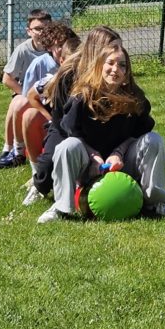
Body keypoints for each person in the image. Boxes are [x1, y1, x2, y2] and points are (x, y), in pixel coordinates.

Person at [37, 43, 165, 223]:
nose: (115, 69)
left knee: (154, 140)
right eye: (110, 63)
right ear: (99, 66)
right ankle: (61, 207)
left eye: (122, 65)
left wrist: (119, 152)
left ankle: (153, 203)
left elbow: (140, 132)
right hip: (87, 165)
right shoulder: (81, 96)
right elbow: (71, 132)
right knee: (67, 146)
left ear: (127, 72)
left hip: (122, 162)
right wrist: (93, 156)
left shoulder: (135, 97)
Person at [29, 25, 122, 200]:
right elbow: (63, 119)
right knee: (47, 165)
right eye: (114, 48)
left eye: (120, 47)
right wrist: (89, 149)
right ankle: (38, 186)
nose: (119, 53)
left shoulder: (116, 70)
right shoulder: (70, 72)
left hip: (97, 125)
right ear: (96, 49)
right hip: (65, 125)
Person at [21, 26, 80, 206]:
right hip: (60, 127)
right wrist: (50, 118)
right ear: (62, 60)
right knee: (47, 161)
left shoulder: (87, 79)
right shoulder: (54, 79)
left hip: (81, 127)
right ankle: (39, 186)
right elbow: (31, 95)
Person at [0, 9, 52, 168]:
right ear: (29, 31)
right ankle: (12, 149)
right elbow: (7, 79)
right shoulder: (23, 50)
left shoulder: (56, 47)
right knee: (18, 103)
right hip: (29, 93)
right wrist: (28, 95)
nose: (42, 32)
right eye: (38, 29)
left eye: (46, 28)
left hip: (51, 96)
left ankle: (22, 150)